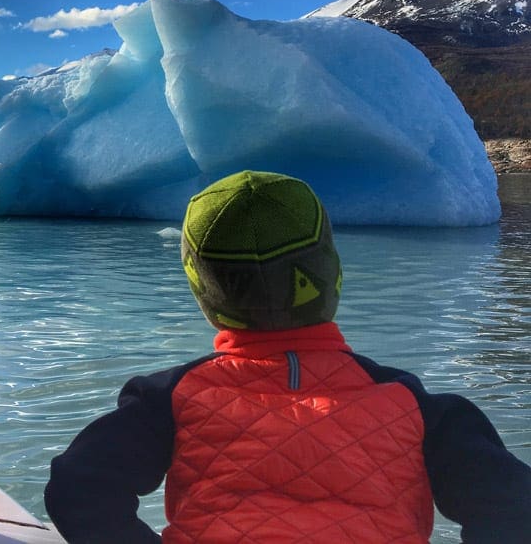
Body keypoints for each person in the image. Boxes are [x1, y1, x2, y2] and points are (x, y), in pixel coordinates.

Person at [44, 170, 531, 543]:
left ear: (206, 296)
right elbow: (514, 508)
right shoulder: (417, 405)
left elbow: (77, 487)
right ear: (332, 275)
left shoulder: (171, 398)